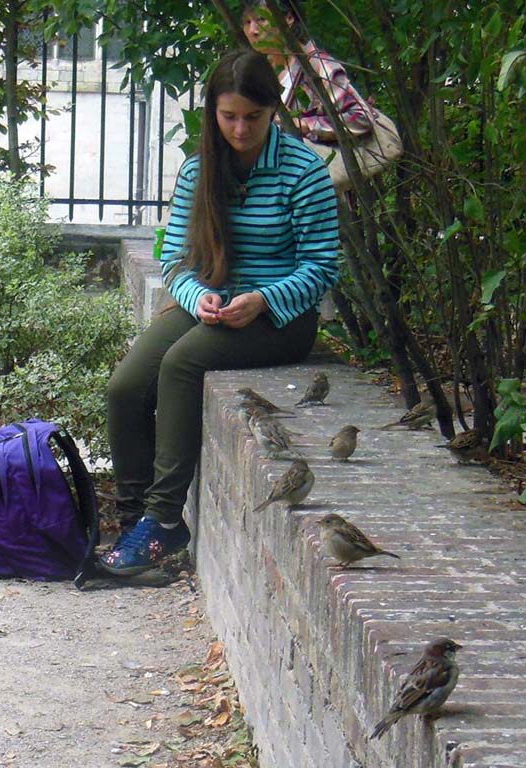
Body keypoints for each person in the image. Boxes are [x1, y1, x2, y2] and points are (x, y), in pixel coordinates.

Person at [100, 49, 340, 576]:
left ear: (272, 111)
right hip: (210, 303)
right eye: (228, 116)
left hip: (281, 317)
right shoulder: (197, 170)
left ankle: (164, 521)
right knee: (124, 386)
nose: (239, 128)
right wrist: (197, 297)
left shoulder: (304, 172)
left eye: (252, 117)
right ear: (212, 112)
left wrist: (263, 300)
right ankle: (133, 518)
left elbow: (323, 267)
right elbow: (176, 260)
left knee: (181, 365)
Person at [241, 0, 374, 143]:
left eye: (261, 19)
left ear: (289, 18)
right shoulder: (262, 71)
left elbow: (361, 117)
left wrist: (303, 125)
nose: (252, 31)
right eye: (247, 22)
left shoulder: (316, 66)